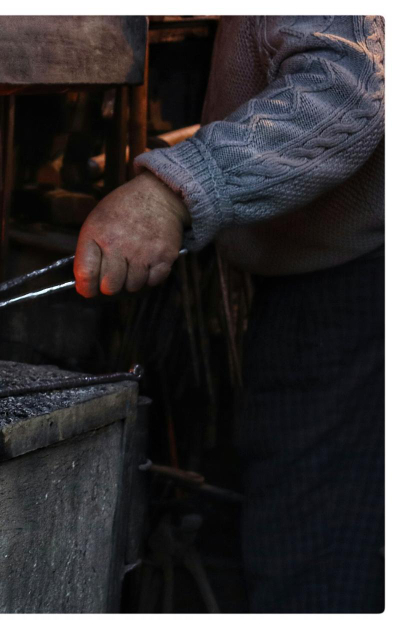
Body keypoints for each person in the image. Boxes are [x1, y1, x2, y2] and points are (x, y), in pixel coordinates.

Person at [73, 16, 384, 612]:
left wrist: (173, 189)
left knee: (312, 563)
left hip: (350, 294)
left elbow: (344, 91)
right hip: (334, 285)